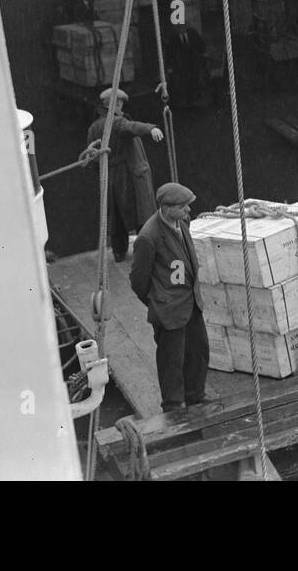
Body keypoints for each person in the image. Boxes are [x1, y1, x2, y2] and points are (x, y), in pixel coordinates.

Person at [130, 182, 209, 413]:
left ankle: (195, 396)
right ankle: (173, 406)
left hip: (191, 302)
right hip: (168, 309)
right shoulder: (148, 237)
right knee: (171, 360)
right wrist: (158, 300)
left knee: (199, 350)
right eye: (183, 207)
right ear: (166, 208)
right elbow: (138, 280)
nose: (188, 211)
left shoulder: (181, 223)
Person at [86, 87, 163, 261]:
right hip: (128, 175)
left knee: (116, 216)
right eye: (120, 105)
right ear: (117, 104)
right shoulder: (116, 122)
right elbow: (130, 126)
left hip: (109, 177)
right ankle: (148, 250)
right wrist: (151, 129)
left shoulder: (93, 128)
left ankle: (119, 252)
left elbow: (91, 158)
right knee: (142, 211)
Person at [167, 22, 211, 108]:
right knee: (185, 81)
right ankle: (187, 101)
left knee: (196, 78)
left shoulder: (192, 33)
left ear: (186, 27)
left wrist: (204, 52)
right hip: (182, 64)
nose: (181, 30)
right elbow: (170, 53)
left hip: (194, 61)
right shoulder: (174, 38)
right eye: (179, 28)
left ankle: (197, 98)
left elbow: (200, 43)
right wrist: (170, 66)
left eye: (182, 28)